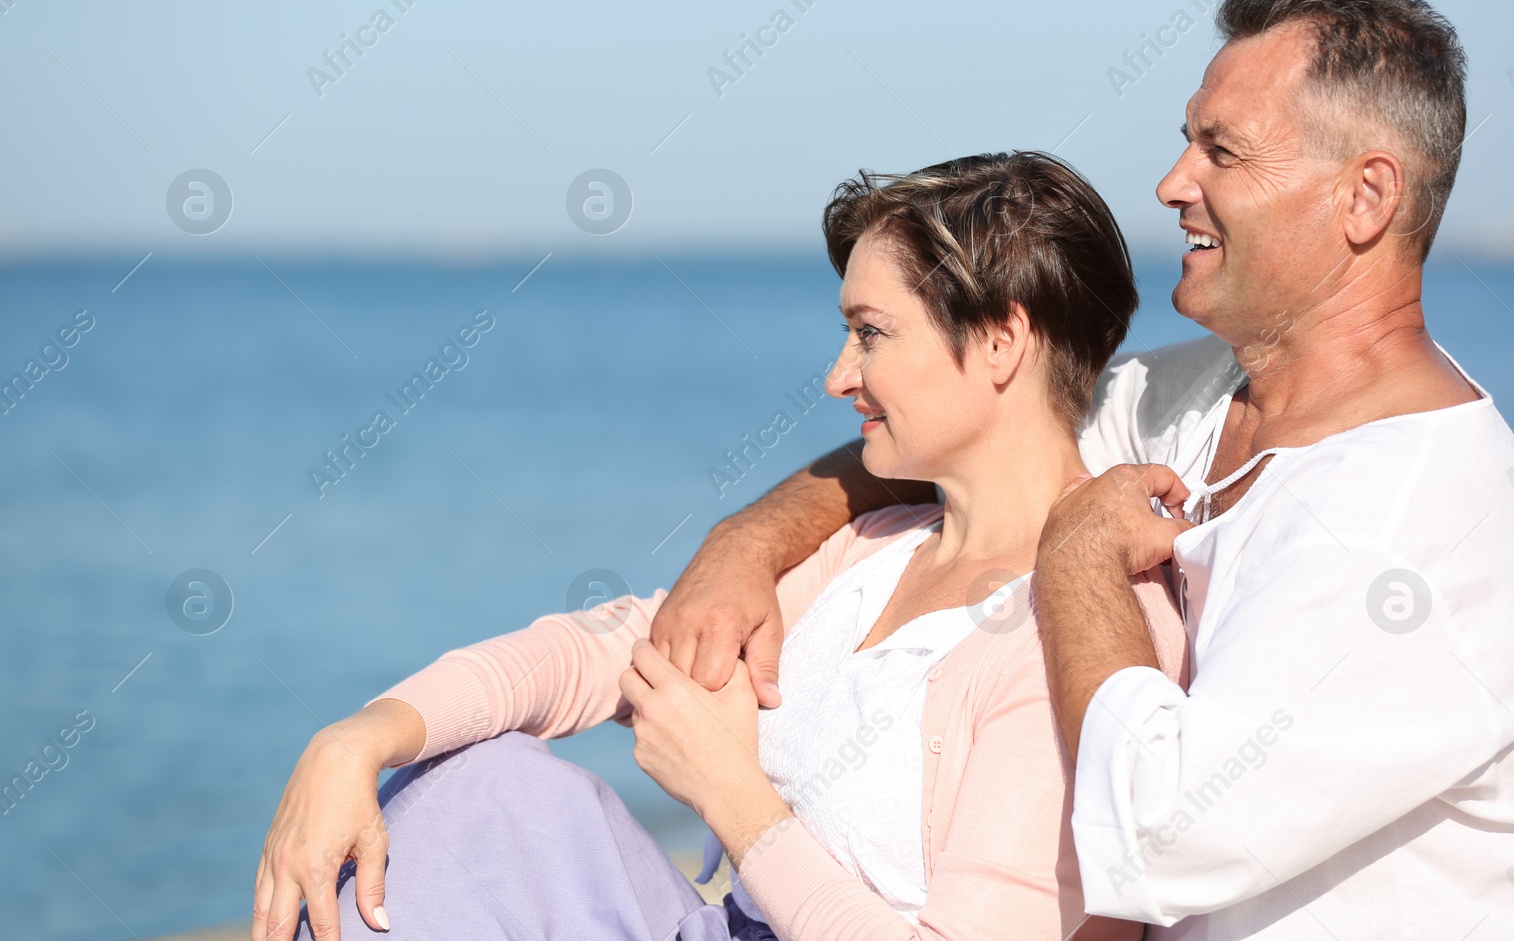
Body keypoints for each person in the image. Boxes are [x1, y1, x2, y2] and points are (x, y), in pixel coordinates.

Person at [651, 0, 1514, 938]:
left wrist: (1073, 558)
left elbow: (1157, 835)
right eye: (1189, 137)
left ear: (1367, 196)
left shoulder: (1412, 521)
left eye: (1222, 150)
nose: (1173, 181)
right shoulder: (1202, 395)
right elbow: (959, 437)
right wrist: (744, 546)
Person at [253, 151, 1189, 941]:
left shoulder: (1089, 624)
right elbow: (604, 649)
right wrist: (357, 739)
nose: (838, 376)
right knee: (470, 786)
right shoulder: (873, 548)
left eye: (872, 334)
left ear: (999, 340)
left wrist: (731, 798)